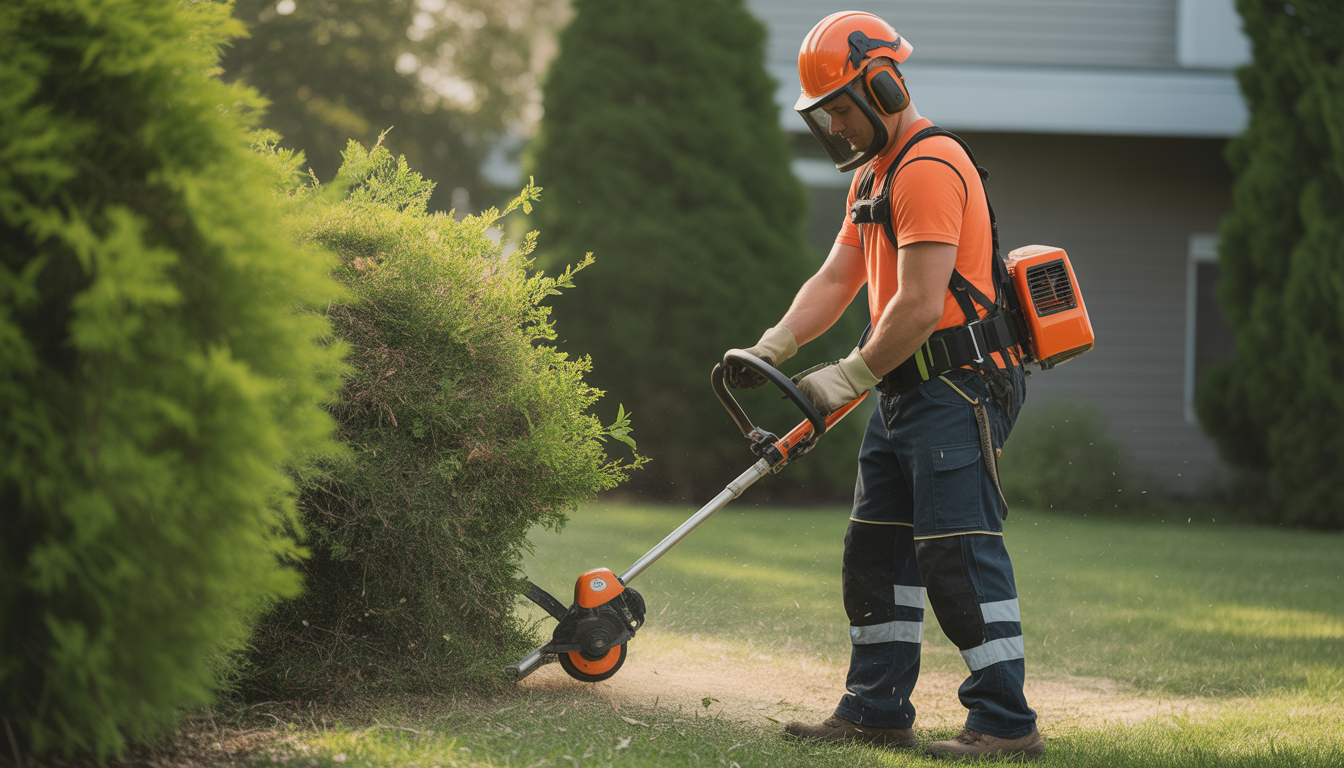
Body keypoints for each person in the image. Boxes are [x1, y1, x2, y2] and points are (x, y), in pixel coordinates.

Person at [721, 11, 1043, 762]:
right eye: (823, 112)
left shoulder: (929, 168)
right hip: (903, 390)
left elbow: (920, 304)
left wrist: (848, 375)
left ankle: (1005, 721)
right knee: (875, 552)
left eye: (840, 105)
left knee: (954, 551)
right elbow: (839, 276)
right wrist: (776, 343)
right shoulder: (873, 175)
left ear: (884, 84)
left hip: (958, 388)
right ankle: (875, 708)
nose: (833, 121)